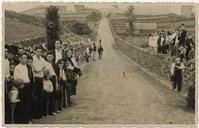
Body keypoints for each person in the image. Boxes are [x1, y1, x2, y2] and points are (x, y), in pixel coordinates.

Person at [13, 53, 33, 123]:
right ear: (20, 58)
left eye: (26, 58)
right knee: (22, 103)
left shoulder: (28, 67)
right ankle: (22, 119)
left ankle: (27, 118)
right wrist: (21, 84)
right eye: (23, 58)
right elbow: (15, 78)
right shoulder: (17, 67)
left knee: (28, 103)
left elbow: (30, 76)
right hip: (21, 86)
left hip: (28, 86)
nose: (24, 59)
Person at [32, 45, 46, 119]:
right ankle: (35, 114)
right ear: (35, 51)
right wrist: (42, 68)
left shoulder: (42, 58)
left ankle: (40, 114)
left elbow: (45, 65)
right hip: (36, 79)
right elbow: (36, 70)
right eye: (38, 51)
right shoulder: (33, 58)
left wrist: (41, 68)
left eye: (41, 51)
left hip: (41, 78)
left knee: (41, 96)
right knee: (36, 96)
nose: (39, 53)